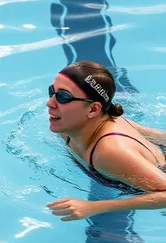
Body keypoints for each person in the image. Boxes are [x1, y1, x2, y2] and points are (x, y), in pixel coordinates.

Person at [46, 61, 166, 221]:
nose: (50, 103)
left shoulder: (109, 151)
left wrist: (95, 207)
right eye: (52, 91)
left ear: (93, 109)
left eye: (63, 97)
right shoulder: (67, 127)